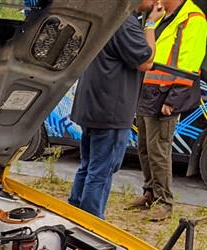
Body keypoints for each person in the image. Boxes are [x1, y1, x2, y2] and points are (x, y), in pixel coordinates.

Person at [67, 1, 163, 219]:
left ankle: (73, 213)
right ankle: (91, 223)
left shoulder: (105, 15)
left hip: (92, 105)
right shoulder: (125, 23)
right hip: (110, 108)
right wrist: (150, 24)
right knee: (101, 171)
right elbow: (146, 61)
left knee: (88, 166)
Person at [127, 0, 207, 221]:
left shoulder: (193, 18)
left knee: (159, 150)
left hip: (166, 95)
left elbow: (189, 63)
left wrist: (174, 99)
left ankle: (164, 202)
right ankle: (150, 192)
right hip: (148, 91)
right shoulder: (159, 15)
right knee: (144, 147)